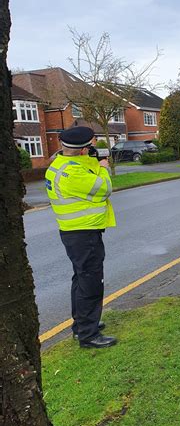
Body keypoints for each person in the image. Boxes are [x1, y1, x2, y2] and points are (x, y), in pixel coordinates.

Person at [45, 126, 118, 349]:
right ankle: (88, 334)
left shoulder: (60, 165)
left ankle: (81, 325)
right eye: (90, 145)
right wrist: (104, 168)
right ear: (84, 149)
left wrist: (92, 161)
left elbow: (82, 169)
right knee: (91, 283)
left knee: (80, 279)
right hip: (84, 233)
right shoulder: (74, 174)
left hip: (73, 233)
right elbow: (104, 188)